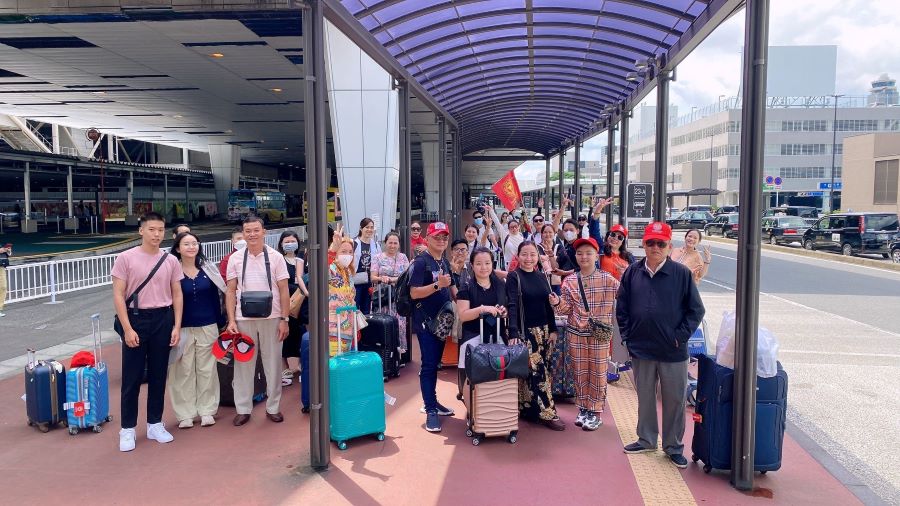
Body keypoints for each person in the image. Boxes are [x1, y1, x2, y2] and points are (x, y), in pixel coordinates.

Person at [616, 221, 705, 469]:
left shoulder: (681, 274)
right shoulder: (633, 272)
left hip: (672, 350)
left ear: (669, 246)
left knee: (674, 400)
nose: (655, 247)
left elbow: (696, 310)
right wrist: (628, 336)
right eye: (650, 242)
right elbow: (622, 307)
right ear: (644, 244)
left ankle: (673, 446)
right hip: (641, 348)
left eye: (661, 243)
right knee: (645, 397)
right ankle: (646, 439)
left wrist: (679, 337)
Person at [111, 212, 184, 452]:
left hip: (163, 318)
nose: (156, 234)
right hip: (136, 318)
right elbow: (118, 295)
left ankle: (155, 423)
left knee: (158, 374)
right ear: (141, 231)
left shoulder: (170, 260)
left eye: (160, 230)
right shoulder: (125, 258)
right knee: (131, 377)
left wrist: (176, 325)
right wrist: (127, 328)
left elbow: (177, 294)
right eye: (152, 229)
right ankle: (127, 429)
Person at [225, 217, 291, 426]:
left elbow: (284, 290)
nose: (252, 234)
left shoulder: (276, 257)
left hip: (273, 316)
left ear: (264, 232)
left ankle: (273, 407)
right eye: (248, 231)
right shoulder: (235, 258)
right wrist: (231, 320)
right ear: (243, 234)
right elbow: (230, 290)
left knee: (273, 363)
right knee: (243, 364)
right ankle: (243, 408)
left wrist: (285, 319)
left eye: (256, 230)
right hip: (243, 318)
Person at [551, 238, 620, 431]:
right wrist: (557, 303)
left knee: (598, 372)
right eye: (580, 253)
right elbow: (566, 310)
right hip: (576, 333)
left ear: (596, 256)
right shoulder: (569, 281)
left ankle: (595, 412)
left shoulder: (608, 279)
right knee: (579, 372)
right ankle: (583, 408)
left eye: (588, 253)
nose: (584, 257)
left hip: (599, 335)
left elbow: (625, 295)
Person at [168, 232, 225, 429]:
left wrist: (221, 322)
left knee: (207, 369)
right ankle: (185, 414)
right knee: (182, 371)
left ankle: (207, 410)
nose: (191, 247)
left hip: (208, 326)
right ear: (178, 248)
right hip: (181, 327)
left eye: (194, 243)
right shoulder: (171, 272)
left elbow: (217, 298)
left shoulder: (208, 269)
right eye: (186, 244)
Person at [506, 241, 565, 431]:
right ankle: (549, 413)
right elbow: (512, 305)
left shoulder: (542, 276)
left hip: (545, 331)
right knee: (539, 374)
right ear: (518, 256)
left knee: (540, 370)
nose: (529, 258)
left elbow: (549, 304)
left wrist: (553, 329)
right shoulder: (514, 276)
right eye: (524, 254)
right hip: (526, 333)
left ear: (538, 257)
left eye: (532, 254)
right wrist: (513, 331)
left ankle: (529, 409)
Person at [300, 224, 356, 413]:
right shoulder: (330, 269)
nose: (347, 255)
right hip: (331, 329)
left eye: (350, 252)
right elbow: (320, 271)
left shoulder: (348, 273)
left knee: (341, 367)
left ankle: (339, 403)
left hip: (347, 330)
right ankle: (328, 406)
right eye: (343, 251)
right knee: (331, 367)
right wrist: (333, 248)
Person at [409, 221, 456, 433]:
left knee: (435, 363)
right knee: (429, 365)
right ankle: (430, 409)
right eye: (437, 237)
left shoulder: (443, 261)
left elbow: (453, 289)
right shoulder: (421, 262)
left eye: (444, 237)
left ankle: (433, 402)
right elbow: (414, 293)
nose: (441, 240)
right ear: (427, 239)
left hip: (441, 323)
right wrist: (438, 285)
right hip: (425, 322)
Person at [455, 247, 507, 396]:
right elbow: (463, 315)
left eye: (487, 263)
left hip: (497, 334)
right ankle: (467, 396)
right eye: (478, 263)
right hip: (473, 334)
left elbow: (507, 308)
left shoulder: (500, 285)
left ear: (492, 264)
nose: (483, 267)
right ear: (472, 265)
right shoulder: (466, 287)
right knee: (469, 365)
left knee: (500, 369)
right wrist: (482, 309)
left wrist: (504, 312)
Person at [371, 231, 410, 353]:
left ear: (399, 244)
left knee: (400, 325)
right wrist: (381, 278)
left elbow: (408, 276)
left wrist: (392, 279)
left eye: (395, 243)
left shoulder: (403, 257)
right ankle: (384, 352)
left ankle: (398, 354)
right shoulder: (377, 257)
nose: (392, 246)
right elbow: (373, 277)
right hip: (383, 298)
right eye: (390, 243)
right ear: (385, 243)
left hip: (398, 298)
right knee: (383, 324)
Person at [278, 231, 308, 387]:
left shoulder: (302, 259)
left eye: (292, 241)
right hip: (286, 303)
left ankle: (302, 364)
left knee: (301, 333)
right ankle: (284, 367)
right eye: (287, 241)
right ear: (281, 244)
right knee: (285, 334)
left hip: (302, 303)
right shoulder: (279, 260)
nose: (290, 244)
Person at [353, 218, 381, 314]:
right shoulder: (354, 243)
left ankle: (365, 324)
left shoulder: (376, 245)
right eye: (367, 227)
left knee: (367, 310)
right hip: (356, 282)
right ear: (361, 228)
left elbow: (379, 262)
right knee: (354, 308)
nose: (369, 230)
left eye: (371, 227)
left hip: (370, 282)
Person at [536, 224, 562, 295]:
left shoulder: (559, 247)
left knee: (557, 299)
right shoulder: (537, 247)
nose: (548, 234)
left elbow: (557, 267)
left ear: (554, 233)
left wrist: (549, 256)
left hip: (556, 281)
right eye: (545, 232)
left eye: (550, 232)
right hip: (542, 280)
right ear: (541, 234)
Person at [0, 243, 10, 318]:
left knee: (3, 287)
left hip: (1, 267)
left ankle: (0, 308)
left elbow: (7, 255)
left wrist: (7, 250)